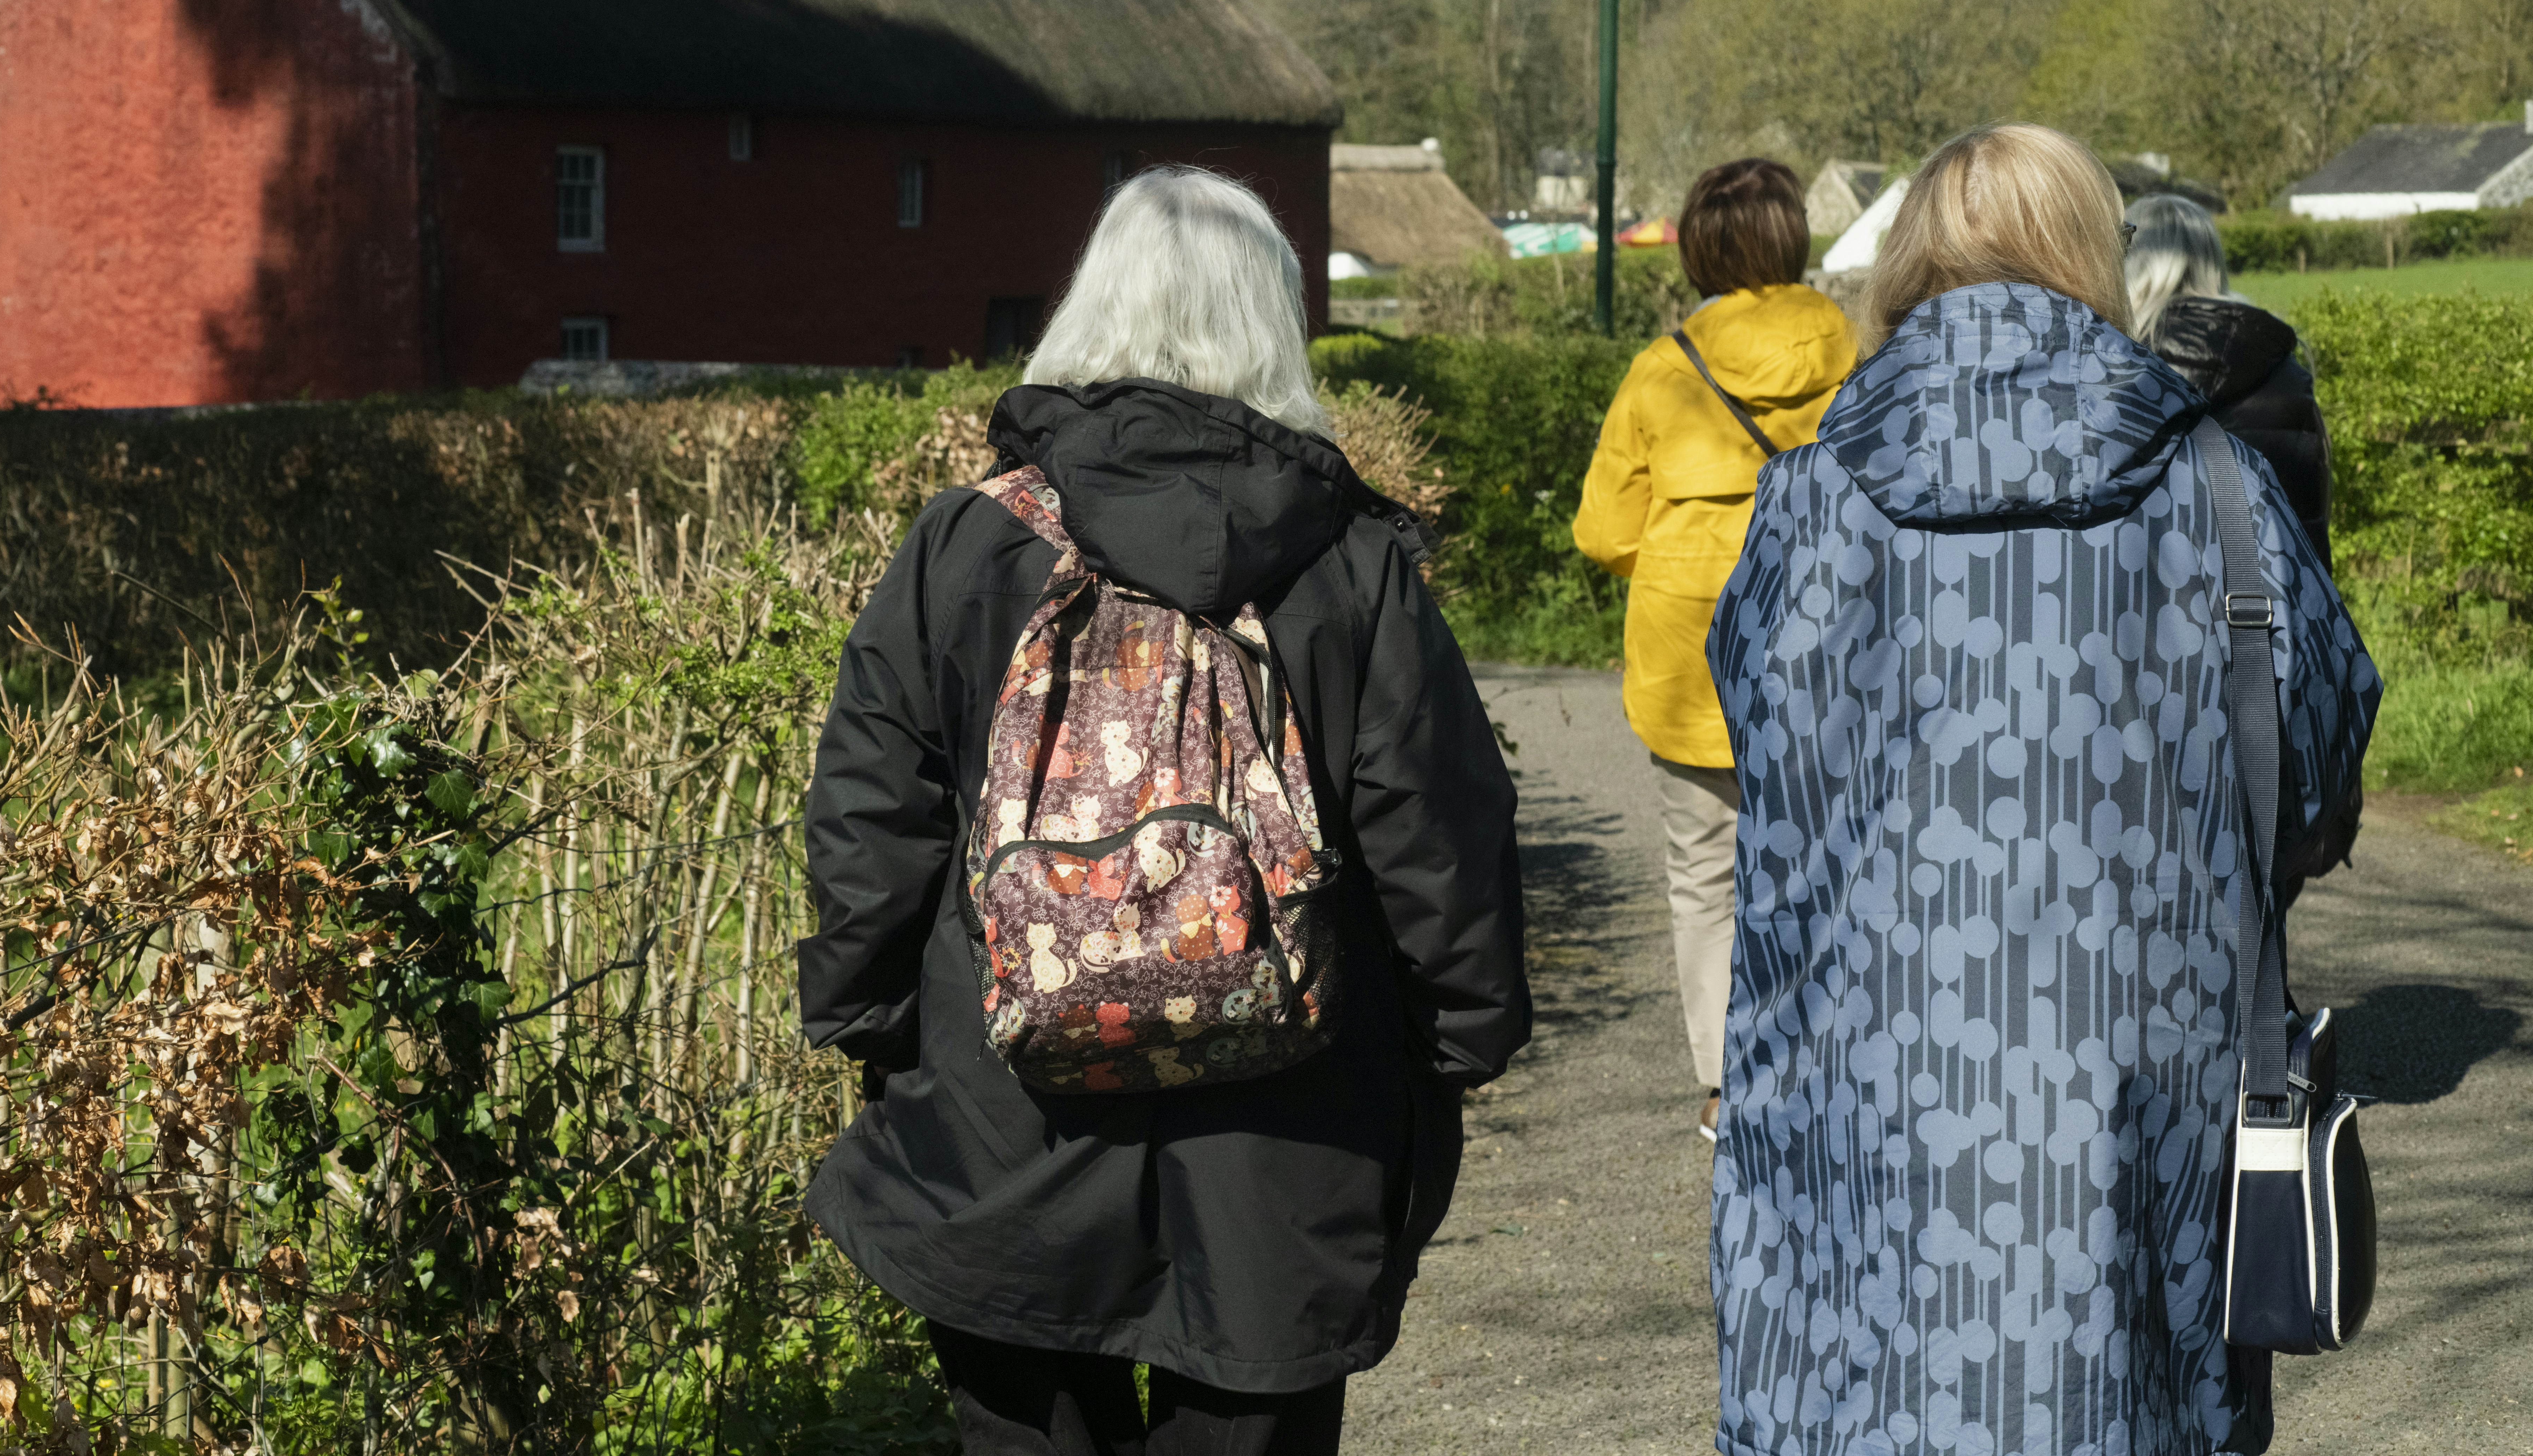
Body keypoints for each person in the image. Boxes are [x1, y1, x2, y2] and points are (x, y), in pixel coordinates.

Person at [797, 166, 1527, 1456]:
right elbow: (1437, 828)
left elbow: (871, 809)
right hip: (1287, 1127)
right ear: (1270, 318)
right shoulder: (1349, 561)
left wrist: (867, 1015)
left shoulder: (967, 545)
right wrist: (1462, 1033)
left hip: (1005, 1109)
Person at [1703, 122, 2381, 1456]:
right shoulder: (2220, 487)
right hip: (2145, 1085)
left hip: (1858, 1082)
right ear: (2090, 254)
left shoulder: (1807, 499)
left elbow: (1758, 741)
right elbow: (2313, 783)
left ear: (1907, 261)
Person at [1571, 157, 1856, 1140]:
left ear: (1696, 249)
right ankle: (1833, 1065)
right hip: (1831, 648)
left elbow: (1604, 532)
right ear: (1795, 237)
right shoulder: (1856, 350)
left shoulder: (1664, 370)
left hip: (1690, 662)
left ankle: (1729, 1085)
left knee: (1705, 877)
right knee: (1829, 864)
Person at [2125, 192, 2334, 564]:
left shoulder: (2120, 366)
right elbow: (2311, 516)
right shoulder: (2282, 365)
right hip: (2274, 590)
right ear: (2214, 260)